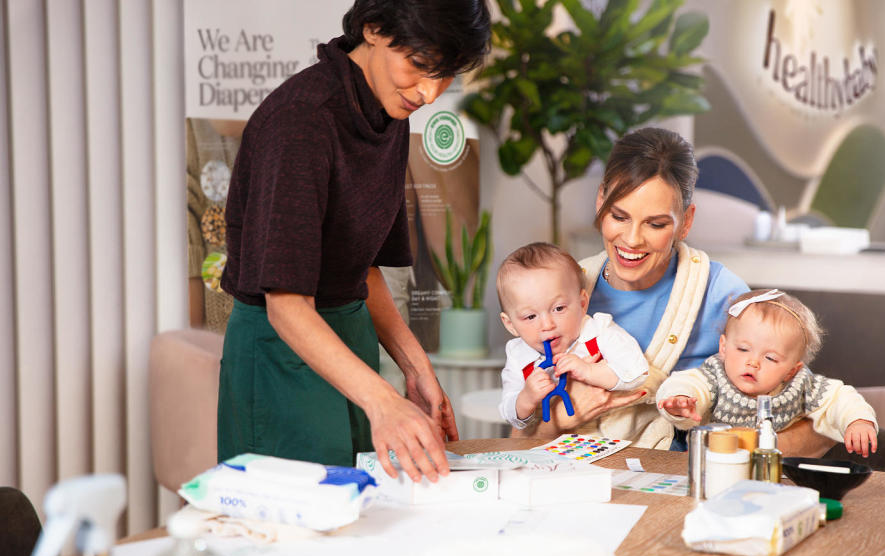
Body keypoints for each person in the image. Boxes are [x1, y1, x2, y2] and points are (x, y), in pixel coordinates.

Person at [216, 0, 491, 482]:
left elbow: (363, 270)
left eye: (444, 75)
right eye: (420, 66)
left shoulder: (389, 111)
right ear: (374, 28)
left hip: (351, 338)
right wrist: (382, 402)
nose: (429, 93)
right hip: (283, 350)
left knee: (364, 515)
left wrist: (414, 366)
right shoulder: (301, 121)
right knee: (292, 534)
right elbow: (286, 306)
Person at [527, 126, 752, 449]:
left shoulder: (723, 296)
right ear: (600, 201)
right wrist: (563, 421)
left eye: (656, 224)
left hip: (683, 484)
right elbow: (521, 438)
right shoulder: (561, 294)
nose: (632, 240)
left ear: (686, 222)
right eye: (619, 216)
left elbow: (794, 408)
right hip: (580, 480)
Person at [656, 289, 879, 457]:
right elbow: (688, 383)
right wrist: (681, 400)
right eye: (743, 349)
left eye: (770, 358)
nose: (753, 362)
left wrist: (858, 421)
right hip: (715, 464)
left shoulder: (800, 385)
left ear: (791, 371)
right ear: (723, 347)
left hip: (774, 469)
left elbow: (839, 397)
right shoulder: (715, 375)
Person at [496, 243, 648, 430]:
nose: (547, 325)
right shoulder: (519, 356)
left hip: (618, 435)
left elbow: (637, 372)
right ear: (510, 324)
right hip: (559, 446)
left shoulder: (599, 331)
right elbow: (511, 414)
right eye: (530, 317)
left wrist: (588, 371)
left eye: (558, 309)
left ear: (582, 303)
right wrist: (525, 399)